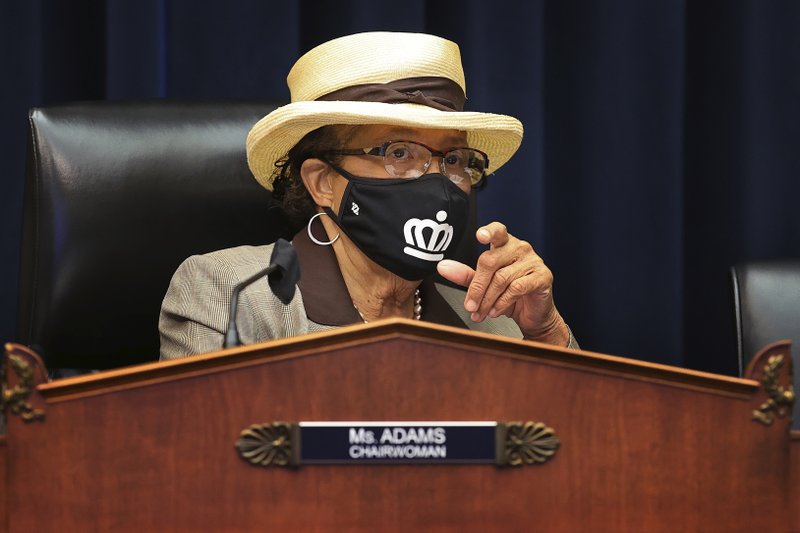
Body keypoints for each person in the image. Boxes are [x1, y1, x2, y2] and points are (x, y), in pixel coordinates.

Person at [159, 31, 578, 360]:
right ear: (322, 181)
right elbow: (197, 456)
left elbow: (590, 451)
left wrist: (545, 333)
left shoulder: (493, 319)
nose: (438, 179)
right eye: (399, 152)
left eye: (454, 158)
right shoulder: (231, 294)